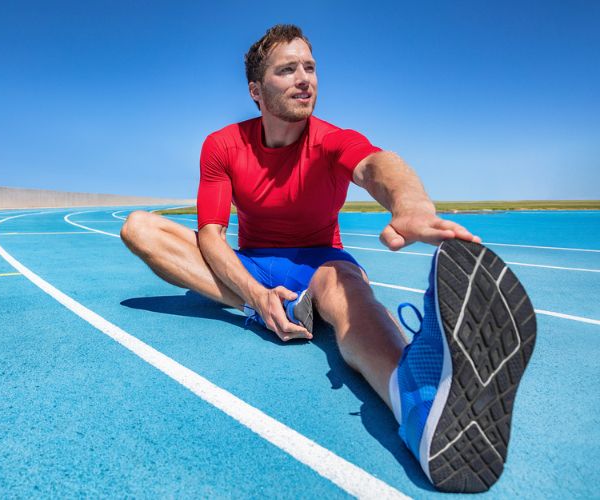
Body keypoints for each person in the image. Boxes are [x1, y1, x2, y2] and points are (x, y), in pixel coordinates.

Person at [120, 24, 536, 493]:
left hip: (320, 263)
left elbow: (378, 165)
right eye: (287, 70)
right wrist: (255, 296)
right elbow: (212, 235)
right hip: (252, 265)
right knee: (140, 227)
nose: (305, 79)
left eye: (310, 68)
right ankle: (271, 308)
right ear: (256, 91)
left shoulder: (330, 139)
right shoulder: (223, 145)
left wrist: (412, 206)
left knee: (349, 292)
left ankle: (419, 405)